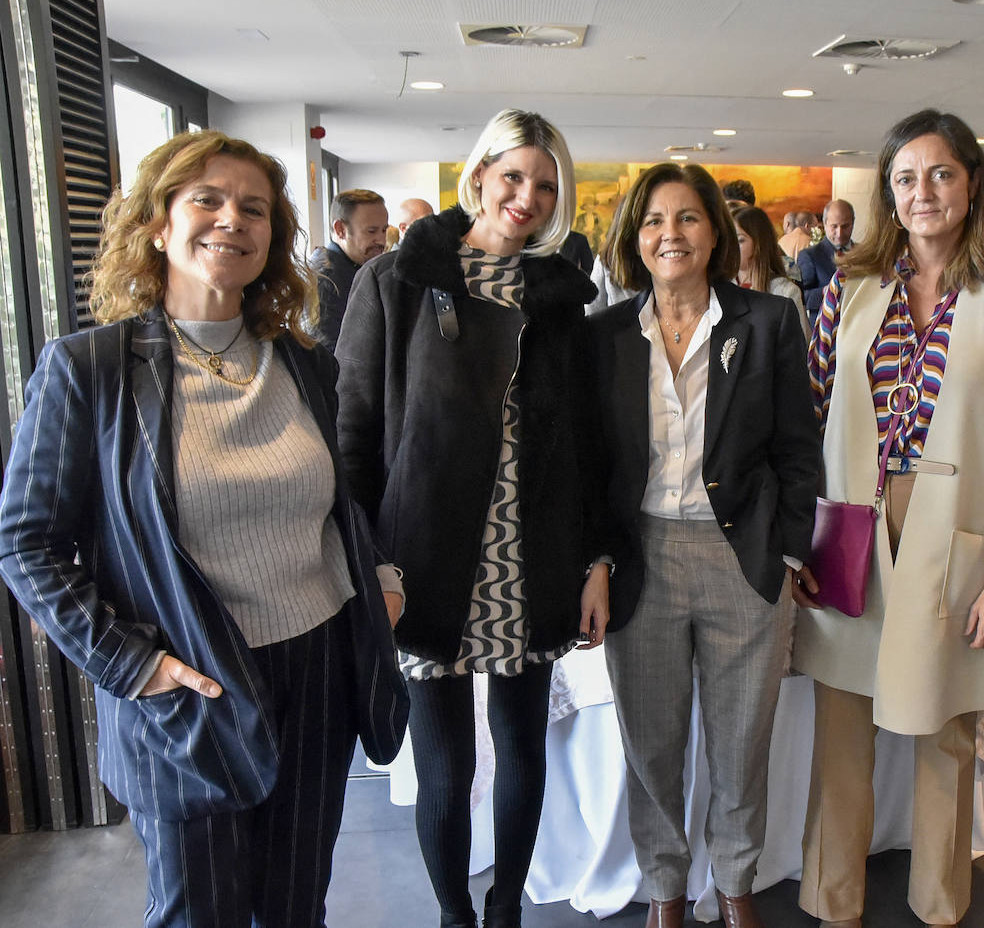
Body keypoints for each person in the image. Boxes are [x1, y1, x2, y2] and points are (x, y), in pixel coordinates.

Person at [0, 130, 408, 926]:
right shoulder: (91, 369)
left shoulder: (303, 363)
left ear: (273, 238)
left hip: (319, 668)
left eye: (253, 208)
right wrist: (131, 664)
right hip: (189, 681)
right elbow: (26, 542)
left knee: (296, 907)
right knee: (201, 912)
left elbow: (342, 498)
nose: (232, 220)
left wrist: (383, 579)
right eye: (207, 200)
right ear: (158, 222)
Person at [334, 108, 609, 928]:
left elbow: (590, 442)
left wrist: (598, 556)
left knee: (524, 745)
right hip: (423, 554)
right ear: (480, 172)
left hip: (532, 549)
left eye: (546, 185)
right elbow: (353, 431)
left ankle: (505, 914)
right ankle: (455, 915)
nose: (527, 196)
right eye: (514, 175)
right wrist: (369, 561)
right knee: (445, 764)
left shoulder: (560, 297)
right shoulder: (398, 279)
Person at [792, 108, 984, 928]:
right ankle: (834, 906)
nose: (923, 191)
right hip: (852, 530)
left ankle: (940, 907)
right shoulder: (850, 288)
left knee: (943, 736)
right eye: (905, 177)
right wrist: (800, 540)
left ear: (971, 182)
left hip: (954, 530)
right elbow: (811, 411)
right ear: (888, 192)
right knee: (841, 732)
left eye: (940, 173)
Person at [589, 162, 819, 928]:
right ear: (635, 237)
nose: (670, 234)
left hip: (741, 558)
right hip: (641, 558)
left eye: (687, 218)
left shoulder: (768, 320)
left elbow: (797, 447)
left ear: (716, 233)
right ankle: (664, 889)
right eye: (654, 220)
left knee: (740, 741)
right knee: (651, 745)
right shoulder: (607, 335)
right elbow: (590, 465)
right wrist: (594, 563)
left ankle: (736, 883)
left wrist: (787, 555)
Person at [309, 187, 388, 350]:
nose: (381, 240)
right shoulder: (325, 279)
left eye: (384, 230)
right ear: (340, 230)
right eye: (371, 231)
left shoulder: (358, 268)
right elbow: (327, 352)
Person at [734, 205, 807, 332]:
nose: (731, 247)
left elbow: (797, 347)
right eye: (728, 239)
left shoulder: (784, 293)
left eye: (740, 240)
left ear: (759, 242)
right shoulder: (720, 287)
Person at [797, 199, 855, 325]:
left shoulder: (864, 254)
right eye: (834, 226)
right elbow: (802, 297)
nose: (839, 233)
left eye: (845, 226)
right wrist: (826, 291)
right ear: (824, 224)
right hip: (825, 332)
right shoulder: (810, 256)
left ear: (853, 223)